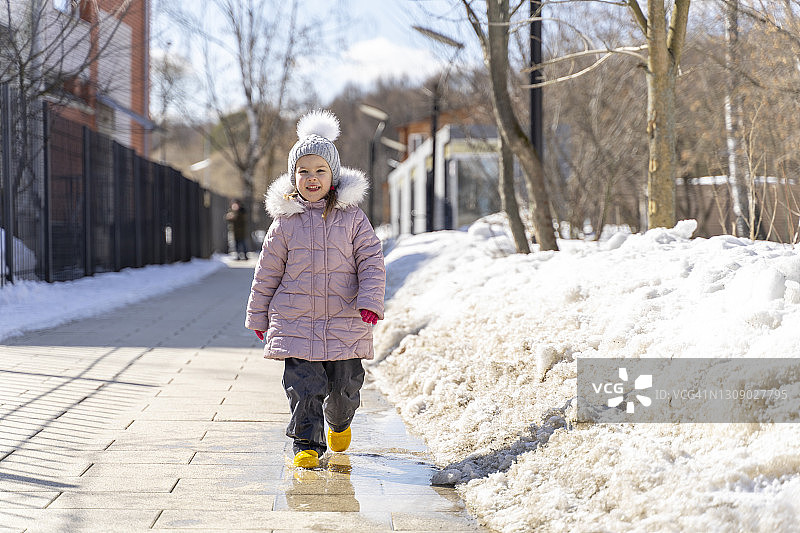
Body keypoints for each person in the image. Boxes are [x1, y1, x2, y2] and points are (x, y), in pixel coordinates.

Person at [245, 110, 386, 469]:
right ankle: (306, 443)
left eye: (320, 170)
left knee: (344, 389)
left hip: (344, 320)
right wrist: (259, 316)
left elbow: (371, 260)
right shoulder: (285, 223)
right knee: (303, 387)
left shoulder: (352, 218)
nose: (312, 178)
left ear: (333, 175)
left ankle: (339, 422)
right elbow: (266, 272)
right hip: (297, 322)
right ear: (293, 177)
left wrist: (370, 300)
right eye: (303, 171)